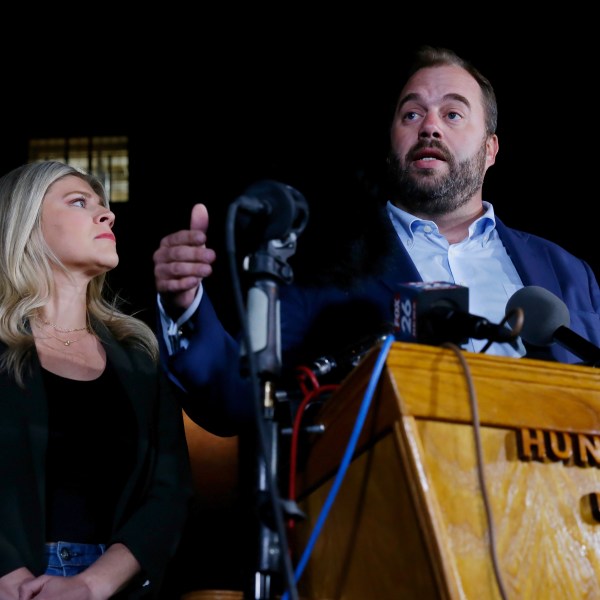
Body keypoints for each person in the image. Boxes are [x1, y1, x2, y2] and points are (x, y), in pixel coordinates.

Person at [153, 44, 600, 433]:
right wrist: (185, 306)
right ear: (392, 143)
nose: (429, 126)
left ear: (490, 149)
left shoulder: (566, 273)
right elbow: (241, 398)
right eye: (411, 113)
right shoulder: (326, 267)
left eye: (452, 113)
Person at [0, 160, 193, 600]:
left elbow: (170, 493)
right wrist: (6, 574)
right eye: (80, 202)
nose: (107, 214)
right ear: (26, 225)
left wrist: (91, 584)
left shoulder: (141, 357)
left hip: (113, 588)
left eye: (104, 205)